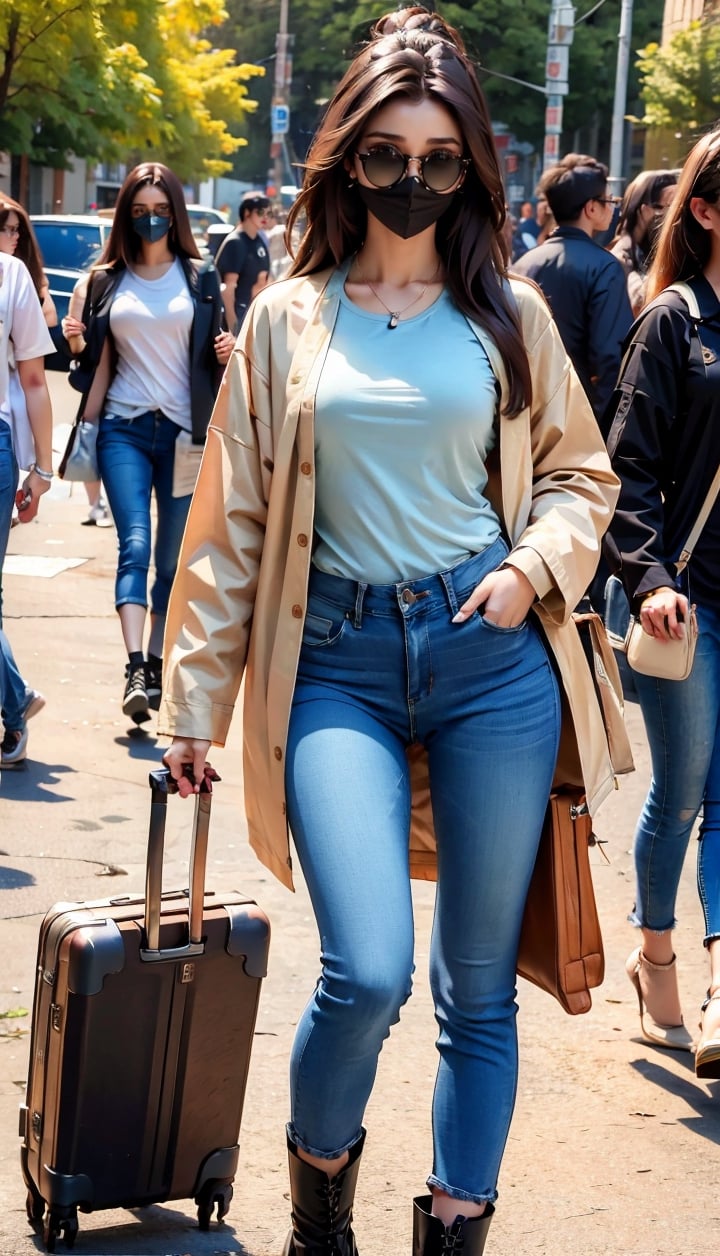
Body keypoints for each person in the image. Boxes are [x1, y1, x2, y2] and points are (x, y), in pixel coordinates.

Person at [159, 8, 618, 1252]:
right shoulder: (286, 320)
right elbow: (230, 527)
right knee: (364, 969)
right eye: (385, 155)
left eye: (438, 158)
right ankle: (321, 1212)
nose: (412, 181)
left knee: (478, 991)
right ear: (345, 158)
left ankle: (456, 1222)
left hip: (492, 661)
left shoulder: (509, 315)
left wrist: (531, 570)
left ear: (471, 166)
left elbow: (583, 478)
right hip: (336, 667)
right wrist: (191, 705)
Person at [603, 126, 720, 1076]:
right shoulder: (673, 323)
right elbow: (624, 469)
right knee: (682, 794)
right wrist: (651, 580)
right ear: (709, 211)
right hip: (687, 604)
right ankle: (656, 957)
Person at [62, 162, 234, 726]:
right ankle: (136, 665)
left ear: (176, 214)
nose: (152, 220)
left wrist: (228, 352)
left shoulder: (200, 277)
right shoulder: (109, 280)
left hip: (186, 436)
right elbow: (89, 370)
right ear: (126, 215)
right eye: (140, 211)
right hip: (124, 428)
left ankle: (157, 662)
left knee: (172, 560)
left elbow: (219, 355)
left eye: (161, 211)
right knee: (133, 542)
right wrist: (78, 346)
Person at [512, 153, 633, 424]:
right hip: (576, 416)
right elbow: (611, 359)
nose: (613, 208)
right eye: (609, 201)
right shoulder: (604, 267)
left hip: (519, 411)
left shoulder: (522, 264)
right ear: (591, 208)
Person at [0, 250, 55, 768]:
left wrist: (42, 470)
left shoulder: (10, 272)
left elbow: (35, 379)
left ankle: (14, 704)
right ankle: (15, 701)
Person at [609, 169, 678, 315]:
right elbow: (640, 303)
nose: (674, 217)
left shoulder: (660, 249)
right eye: (668, 207)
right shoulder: (622, 256)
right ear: (645, 210)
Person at [214, 192, 273, 332]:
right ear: (247, 213)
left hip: (253, 313)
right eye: (260, 212)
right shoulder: (236, 242)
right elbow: (227, 288)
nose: (265, 217)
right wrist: (233, 325)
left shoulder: (258, 241)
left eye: (269, 214)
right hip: (239, 314)